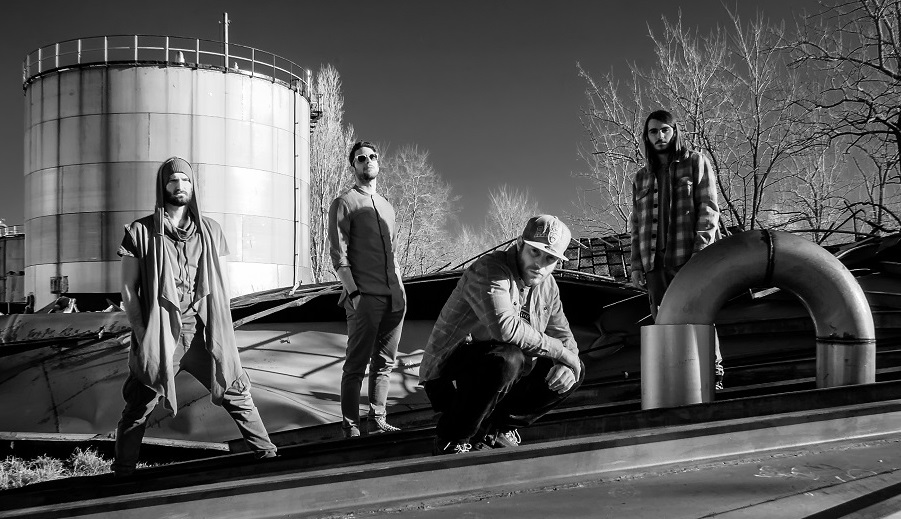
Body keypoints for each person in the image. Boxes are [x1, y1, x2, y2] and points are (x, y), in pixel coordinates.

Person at [112, 157, 277, 476]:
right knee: (139, 405)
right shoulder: (141, 231)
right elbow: (129, 289)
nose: (180, 185)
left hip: (204, 333)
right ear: (163, 186)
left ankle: (269, 459)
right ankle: (122, 475)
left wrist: (224, 333)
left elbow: (221, 287)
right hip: (162, 335)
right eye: (173, 180)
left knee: (236, 391)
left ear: (193, 186)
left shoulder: (211, 230)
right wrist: (144, 334)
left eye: (186, 180)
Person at [420, 215, 584, 455]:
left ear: (557, 262)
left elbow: (563, 335)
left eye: (549, 258)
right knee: (508, 358)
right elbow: (504, 327)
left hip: (503, 378)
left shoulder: (548, 287)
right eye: (535, 252)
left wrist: (569, 362)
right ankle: (452, 438)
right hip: (450, 376)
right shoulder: (489, 269)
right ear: (520, 244)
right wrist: (561, 352)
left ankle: (496, 429)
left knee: (574, 370)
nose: (539, 264)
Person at [629, 109, 725, 388]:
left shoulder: (695, 162)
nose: (659, 136)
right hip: (653, 263)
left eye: (664, 130)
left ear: (674, 132)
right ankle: (676, 380)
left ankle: (713, 375)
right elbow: (636, 225)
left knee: (697, 316)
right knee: (664, 322)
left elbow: (709, 208)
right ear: (647, 137)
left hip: (687, 257)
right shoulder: (641, 178)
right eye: (653, 131)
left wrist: (701, 252)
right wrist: (636, 265)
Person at [328, 141, 406, 438]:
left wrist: (401, 290)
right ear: (354, 166)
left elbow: (394, 253)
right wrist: (355, 295)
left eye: (372, 156)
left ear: (378, 163)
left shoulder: (387, 206)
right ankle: (350, 427)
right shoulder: (344, 202)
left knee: (385, 363)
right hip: (364, 297)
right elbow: (339, 256)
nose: (368, 161)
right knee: (356, 364)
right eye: (361, 158)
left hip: (394, 297)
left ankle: (378, 419)